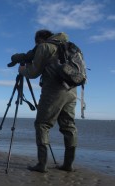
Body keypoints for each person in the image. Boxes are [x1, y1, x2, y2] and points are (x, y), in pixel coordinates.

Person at [18, 29, 77, 173]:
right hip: (72, 92)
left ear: (40, 40)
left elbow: (33, 72)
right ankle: (68, 165)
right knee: (69, 127)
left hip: (53, 92)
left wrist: (22, 71)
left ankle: (41, 165)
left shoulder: (45, 47)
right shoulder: (70, 47)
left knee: (42, 125)